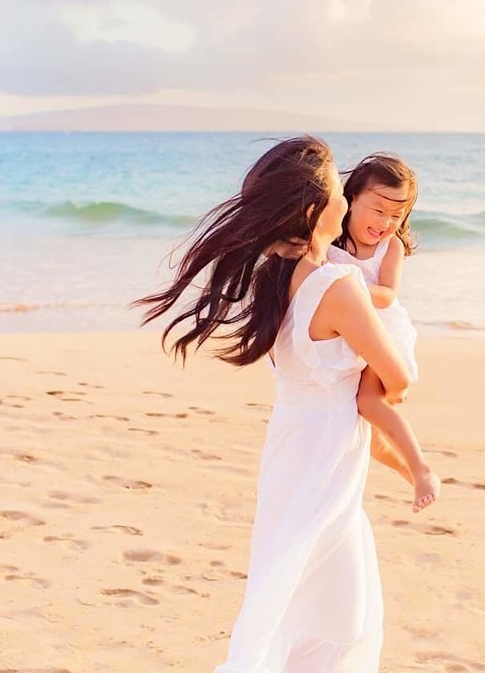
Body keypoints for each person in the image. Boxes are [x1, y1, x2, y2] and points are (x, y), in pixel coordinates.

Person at [133, 136, 410, 671]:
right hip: (325, 453)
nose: (345, 203)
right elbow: (395, 377)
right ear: (316, 208)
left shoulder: (276, 273)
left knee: (288, 589)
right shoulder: (337, 284)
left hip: (292, 446)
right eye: (337, 193)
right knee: (337, 612)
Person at [328, 153, 440, 512]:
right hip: (351, 334)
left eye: (397, 215)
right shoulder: (332, 239)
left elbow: (388, 294)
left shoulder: (389, 247)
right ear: (351, 199)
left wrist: (349, 285)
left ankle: (421, 467)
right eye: (378, 210)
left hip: (384, 331)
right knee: (370, 436)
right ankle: (412, 474)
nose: (386, 222)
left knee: (368, 403)